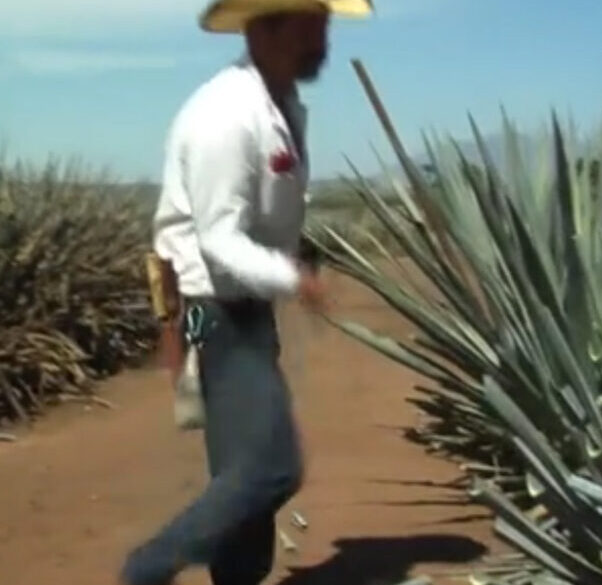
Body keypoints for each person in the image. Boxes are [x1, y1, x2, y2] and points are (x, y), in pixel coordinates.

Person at [122, 1, 371, 584]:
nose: (322, 39)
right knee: (270, 467)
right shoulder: (226, 116)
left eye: (324, 24)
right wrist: (295, 279)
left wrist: (292, 257)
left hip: (243, 307)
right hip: (210, 312)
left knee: (241, 468)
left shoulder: (277, 105)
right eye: (310, 26)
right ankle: (148, 568)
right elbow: (218, 241)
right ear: (263, 28)